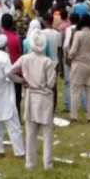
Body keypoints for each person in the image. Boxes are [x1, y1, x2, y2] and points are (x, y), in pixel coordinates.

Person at [7, 30, 56, 170]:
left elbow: (9, 72)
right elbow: (52, 83)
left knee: (30, 134)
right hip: (45, 98)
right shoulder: (48, 62)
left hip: (31, 96)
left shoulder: (25, 59)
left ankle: (30, 163)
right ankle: (48, 164)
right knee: (47, 134)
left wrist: (22, 81)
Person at [0, 35, 24, 158]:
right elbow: (9, 74)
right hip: (5, 95)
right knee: (14, 125)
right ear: (4, 46)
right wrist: (22, 81)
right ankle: (19, 152)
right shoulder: (4, 58)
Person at [68, 14, 90, 123]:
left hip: (79, 65)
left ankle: (74, 116)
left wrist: (69, 56)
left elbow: (73, 51)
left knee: (75, 91)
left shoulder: (78, 34)